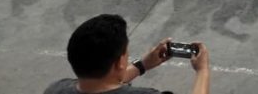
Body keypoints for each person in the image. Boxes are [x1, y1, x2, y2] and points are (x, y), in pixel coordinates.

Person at [43, 14, 210, 94]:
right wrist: (202, 71)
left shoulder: (55, 89)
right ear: (119, 62)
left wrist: (142, 65)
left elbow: (102, 83)